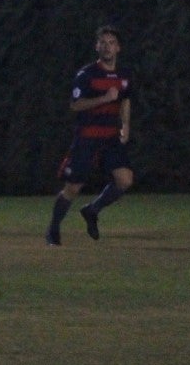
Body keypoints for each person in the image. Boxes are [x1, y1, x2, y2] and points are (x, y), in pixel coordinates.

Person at [45, 25, 135, 246]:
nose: (107, 47)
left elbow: (125, 101)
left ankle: (92, 210)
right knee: (73, 188)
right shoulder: (86, 74)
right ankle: (53, 229)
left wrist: (125, 126)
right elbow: (76, 105)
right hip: (87, 136)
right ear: (97, 47)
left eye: (111, 42)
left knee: (125, 180)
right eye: (103, 42)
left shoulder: (124, 76)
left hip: (110, 137)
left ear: (118, 48)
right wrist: (103, 98)